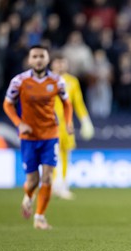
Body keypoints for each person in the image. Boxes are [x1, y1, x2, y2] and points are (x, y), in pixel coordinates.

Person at [3, 45, 73, 229]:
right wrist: (19, 124)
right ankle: (28, 196)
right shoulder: (19, 81)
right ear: (30, 60)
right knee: (32, 180)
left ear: (47, 59)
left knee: (48, 178)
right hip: (29, 137)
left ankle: (39, 217)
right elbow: (8, 104)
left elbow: (67, 104)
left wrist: (68, 122)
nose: (39, 59)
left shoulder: (57, 81)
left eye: (42, 56)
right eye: (35, 56)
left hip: (50, 135)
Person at [51, 54, 94, 200]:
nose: (61, 65)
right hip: (50, 125)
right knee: (52, 156)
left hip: (67, 125)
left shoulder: (72, 81)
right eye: (58, 62)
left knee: (65, 155)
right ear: (52, 65)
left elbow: (78, 103)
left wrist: (85, 121)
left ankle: (62, 186)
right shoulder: (46, 81)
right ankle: (52, 185)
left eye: (63, 62)